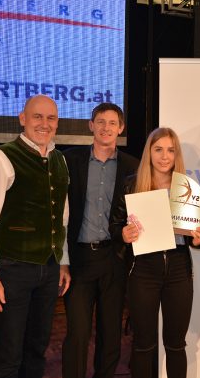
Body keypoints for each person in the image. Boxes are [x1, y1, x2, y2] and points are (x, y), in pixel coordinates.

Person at [0, 94, 71, 378]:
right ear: (22, 118)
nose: (44, 123)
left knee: (37, 349)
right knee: (9, 354)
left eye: (51, 118)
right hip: (12, 270)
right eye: (37, 116)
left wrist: (62, 261)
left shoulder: (60, 160)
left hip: (49, 269)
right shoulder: (1, 157)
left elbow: (62, 218)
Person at [109, 127, 200, 378]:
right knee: (143, 344)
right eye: (158, 150)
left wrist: (199, 239)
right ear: (149, 153)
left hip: (179, 270)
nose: (165, 156)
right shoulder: (132, 184)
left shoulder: (187, 188)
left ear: (177, 155)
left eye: (171, 150)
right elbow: (115, 225)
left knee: (176, 344)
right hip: (143, 270)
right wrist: (123, 234)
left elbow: (192, 237)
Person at [61, 103, 139, 378]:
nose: (106, 128)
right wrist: (62, 261)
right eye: (101, 122)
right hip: (79, 260)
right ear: (91, 125)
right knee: (77, 334)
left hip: (114, 259)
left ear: (121, 128)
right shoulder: (69, 161)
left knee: (110, 334)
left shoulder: (133, 167)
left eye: (112, 123)